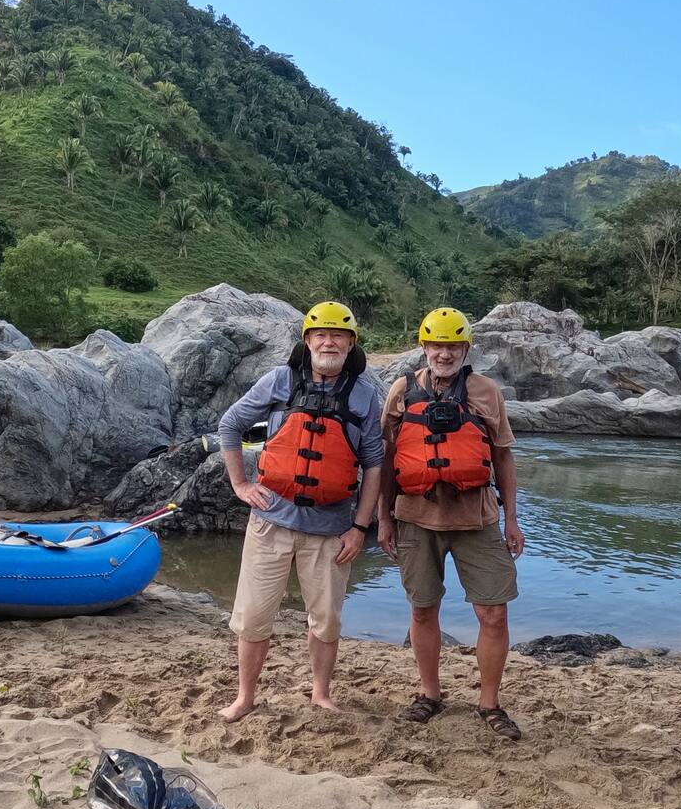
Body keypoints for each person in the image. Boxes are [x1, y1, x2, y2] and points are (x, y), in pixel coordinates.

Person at [216, 300, 384, 722]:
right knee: (254, 616)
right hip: (270, 521)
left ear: (351, 344)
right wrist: (241, 484)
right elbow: (230, 425)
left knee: (325, 619)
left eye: (338, 335)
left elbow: (374, 465)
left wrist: (359, 527)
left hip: (331, 529)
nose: (329, 342)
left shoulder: (365, 396)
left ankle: (320, 693)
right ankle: (245, 697)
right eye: (320, 335)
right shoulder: (279, 380)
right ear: (307, 341)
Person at [378, 306, 525, 740]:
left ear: (465, 349)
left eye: (453, 346)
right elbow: (386, 459)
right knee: (423, 608)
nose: (445, 353)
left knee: (493, 613)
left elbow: (503, 457)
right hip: (415, 517)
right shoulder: (401, 390)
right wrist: (383, 519)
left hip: (476, 518)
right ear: (424, 347)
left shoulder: (486, 391)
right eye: (437, 345)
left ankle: (490, 703)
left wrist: (512, 519)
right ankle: (429, 694)